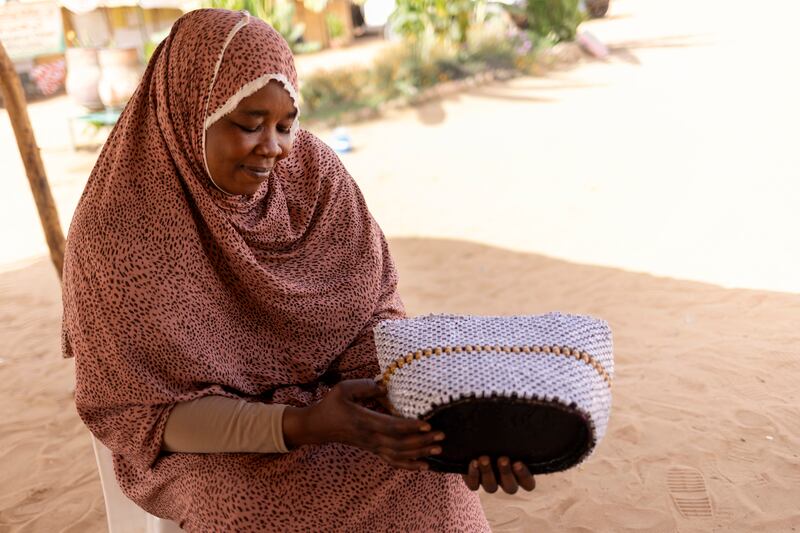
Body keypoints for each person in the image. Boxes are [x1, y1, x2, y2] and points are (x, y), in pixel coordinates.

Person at [61, 9, 534, 532]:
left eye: (286, 126)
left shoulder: (312, 174)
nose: (274, 149)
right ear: (188, 110)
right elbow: (143, 413)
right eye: (249, 124)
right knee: (245, 508)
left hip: (338, 404)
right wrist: (303, 423)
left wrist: (451, 423)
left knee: (423, 468)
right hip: (204, 444)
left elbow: (374, 314)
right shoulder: (118, 232)